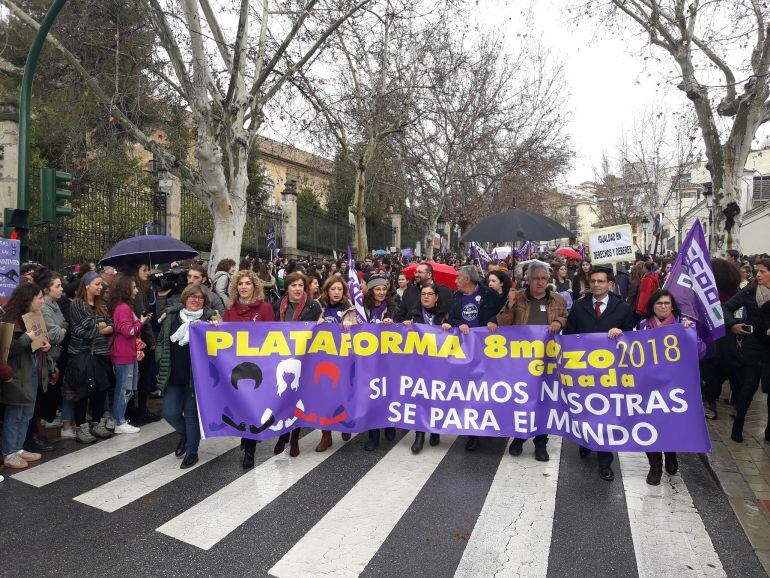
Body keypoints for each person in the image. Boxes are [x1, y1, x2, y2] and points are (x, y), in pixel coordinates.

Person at [564, 266, 636, 481]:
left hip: (610, 374)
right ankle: (586, 441)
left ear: (610, 284)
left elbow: (632, 338)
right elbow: (569, 336)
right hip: (583, 372)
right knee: (585, 410)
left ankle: (605, 461)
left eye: (601, 281)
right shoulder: (578, 307)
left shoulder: (622, 308)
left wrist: (621, 334)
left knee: (607, 415)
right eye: (593, 281)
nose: (596, 284)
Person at [497, 260, 567, 461]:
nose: (540, 282)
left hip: (547, 360)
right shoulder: (517, 298)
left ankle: (540, 443)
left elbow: (567, 317)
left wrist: (559, 321)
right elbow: (503, 324)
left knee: (543, 402)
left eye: (544, 278)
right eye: (536, 278)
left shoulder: (558, 300)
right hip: (521, 361)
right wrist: (509, 304)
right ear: (527, 280)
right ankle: (519, 437)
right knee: (522, 400)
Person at [637, 289, 697, 484]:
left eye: (667, 303)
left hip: (675, 386)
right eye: (659, 303)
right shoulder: (642, 326)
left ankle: (671, 453)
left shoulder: (683, 325)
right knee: (649, 424)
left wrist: (691, 335)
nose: (663, 306)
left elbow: (701, 352)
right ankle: (655, 466)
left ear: (673, 306)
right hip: (648, 385)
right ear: (652, 306)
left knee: (670, 422)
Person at [157, 285, 220, 469]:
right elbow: (161, 340)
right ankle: (187, 435)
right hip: (173, 373)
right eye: (192, 296)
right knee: (170, 413)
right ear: (185, 298)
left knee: (191, 414)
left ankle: (192, 451)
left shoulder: (209, 317)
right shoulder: (172, 317)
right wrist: (160, 358)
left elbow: (220, 341)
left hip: (196, 377)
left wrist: (215, 326)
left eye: (200, 297)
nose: (196, 300)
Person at [449, 266, 502, 452]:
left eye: (458, 278)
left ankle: (490, 425)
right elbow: (451, 318)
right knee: (470, 391)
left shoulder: (490, 295)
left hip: (487, 352)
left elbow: (503, 312)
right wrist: (458, 324)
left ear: (468, 279)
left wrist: (494, 319)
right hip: (464, 352)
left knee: (486, 390)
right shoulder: (456, 297)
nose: (455, 281)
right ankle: (473, 434)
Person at [1, 283, 51, 469]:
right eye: (38, 297)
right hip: (17, 373)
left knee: (27, 413)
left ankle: (18, 448)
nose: (41, 301)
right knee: (15, 413)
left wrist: (44, 344)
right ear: (28, 299)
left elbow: (38, 340)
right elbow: (6, 350)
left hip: (31, 368)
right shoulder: (10, 320)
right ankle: (9, 452)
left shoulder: (33, 317)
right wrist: (26, 338)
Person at [274, 272, 322, 457]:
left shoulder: (313, 306)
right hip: (282, 358)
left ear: (305, 288)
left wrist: (321, 324)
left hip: (304, 360)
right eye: (293, 285)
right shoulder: (278, 306)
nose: (297, 289)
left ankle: (294, 438)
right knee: (283, 398)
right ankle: (282, 435)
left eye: (300, 285)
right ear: (287, 288)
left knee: (297, 398)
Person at [722, 258, 770, 443]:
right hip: (754, 344)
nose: (758, 274)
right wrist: (733, 325)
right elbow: (726, 307)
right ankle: (738, 424)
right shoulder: (749, 291)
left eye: (763, 271)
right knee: (748, 385)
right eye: (757, 271)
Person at [402, 282, 451, 453]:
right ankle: (419, 435)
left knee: (437, 398)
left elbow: (457, 336)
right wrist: (405, 326)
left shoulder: (445, 314)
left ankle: (435, 429)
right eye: (423, 294)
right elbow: (397, 332)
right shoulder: (414, 314)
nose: (426, 297)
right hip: (419, 366)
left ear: (436, 297)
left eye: (430, 294)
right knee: (420, 399)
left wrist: (449, 327)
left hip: (439, 366)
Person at [66, 272, 114, 443]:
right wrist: (100, 327)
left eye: (101, 284)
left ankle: (96, 423)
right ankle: (81, 427)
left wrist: (100, 327)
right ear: (86, 285)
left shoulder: (102, 304)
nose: (100, 287)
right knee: (83, 391)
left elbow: (110, 325)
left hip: (100, 353)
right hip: (82, 354)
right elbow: (80, 330)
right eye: (97, 284)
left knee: (100, 390)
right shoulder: (78, 304)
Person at [315, 276, 357, 452]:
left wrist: (350, 324)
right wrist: (316, 324)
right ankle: (326, 435)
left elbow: (358, 333)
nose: (337, 292)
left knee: (344, 394)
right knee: (324, 397)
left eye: (340, 289)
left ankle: (344, 425)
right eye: (333, 289)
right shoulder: (317, 306)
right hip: (322, 359)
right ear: (327, 290)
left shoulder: (350, 308)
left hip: (343, 358)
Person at [109, 275, 151, 434]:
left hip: (127, 353)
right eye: (133, 287)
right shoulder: (123, 308)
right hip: (124, 354)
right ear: (126, 289)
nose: (136, 290)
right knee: (124, 388)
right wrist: (140, 322)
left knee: (126, 387)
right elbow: (129, 331)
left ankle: (119, 419)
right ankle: (119, 421)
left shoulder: (122, 307)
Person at [363, 275, 397, 450]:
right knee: (371, 396)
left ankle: (389, 424)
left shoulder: (392, 308)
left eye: (384, 289)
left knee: (387, 394)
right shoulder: (362, 309)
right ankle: (373, 435)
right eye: (378, 289)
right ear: (371, 291)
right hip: (368, 361)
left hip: (388, 360)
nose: (382, 292)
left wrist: (394, 323)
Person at [35, 271, 68, 448]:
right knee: (41, 399)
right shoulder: (45, 307)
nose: (61, 289)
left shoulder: (54, 305)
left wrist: (61, 329)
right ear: (47, 290)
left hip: (54, 357)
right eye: (57, 286)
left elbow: (64, 323)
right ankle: (36, 434)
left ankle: (39, 432)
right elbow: (55, 334)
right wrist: (60, 330)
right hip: (46, 359)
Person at [125, 263, 159, 425]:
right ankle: (140, 410)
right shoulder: (137, 291)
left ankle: (135, 409)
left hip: (137, 338)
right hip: (141, 340)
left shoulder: (142, 288)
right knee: (142, 377)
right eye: (144, 270)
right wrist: (151, 342)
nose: (148, 272)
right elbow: (142, 318)